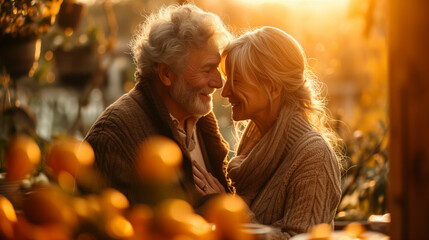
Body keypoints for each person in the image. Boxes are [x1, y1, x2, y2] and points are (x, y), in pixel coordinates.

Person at [193, 26, 342, 239]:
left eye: (236, 81)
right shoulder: (256, 145)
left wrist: (228, 209)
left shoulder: (314, 157)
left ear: (272, 87)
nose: (225, 92)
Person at [84, 4, 232, 207]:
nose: (218, 82)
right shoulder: (112, 138)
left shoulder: (199, 117)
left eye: (217, 69)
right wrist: (212, 209)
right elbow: (120, 228)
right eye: (207, 70)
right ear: (166, 74)